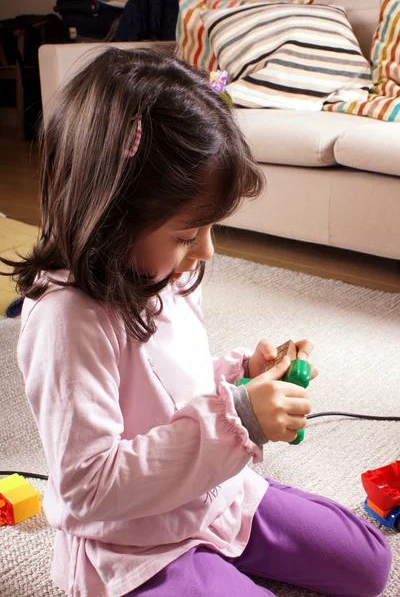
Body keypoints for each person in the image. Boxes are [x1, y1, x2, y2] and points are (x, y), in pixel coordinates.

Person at [3, 48, 391, 597]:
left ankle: (219, 547)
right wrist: (239, 420)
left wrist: (241, 376)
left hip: (214, 491)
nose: (205, 250)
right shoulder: (67, 319)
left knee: (371, 564)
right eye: (188, 234)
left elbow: (168, 387)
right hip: (135, 541)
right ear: (113, 211)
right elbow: (89, 486)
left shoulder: (170, 274)